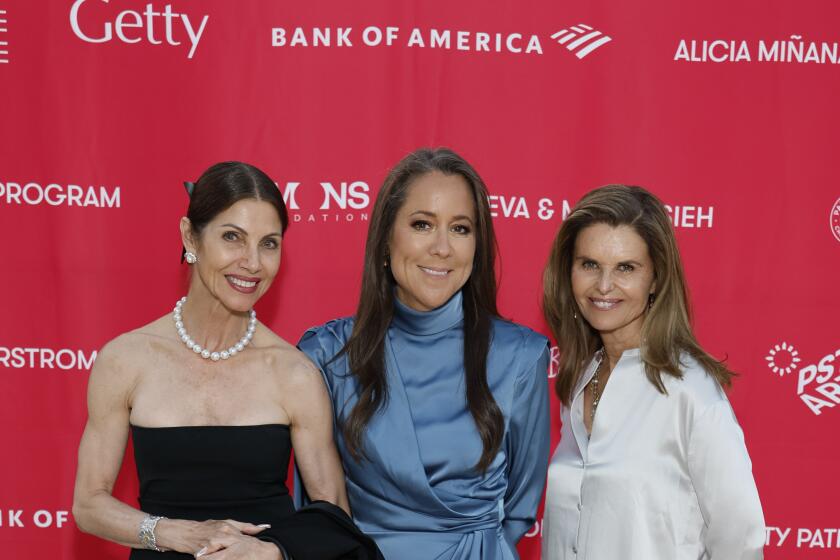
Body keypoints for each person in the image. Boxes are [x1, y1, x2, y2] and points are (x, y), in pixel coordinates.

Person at [73, 162, 380, 560]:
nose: (252, 262)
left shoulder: (294, 373)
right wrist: (174, 533)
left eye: (268, 243)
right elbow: (89, 504)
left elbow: (333, 513)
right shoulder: (125, 360)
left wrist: (270, 551)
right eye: (233, 237)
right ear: (190, 237)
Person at [297, 147, 550, 560]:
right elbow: (314, 506)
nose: (442, 248)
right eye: (422, 224)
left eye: (461, 229)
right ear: (385, 239)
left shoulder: (521, 356)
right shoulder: (326, 355)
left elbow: (521, 507)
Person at [540, 185, 765, 559]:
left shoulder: (690, 391)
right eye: (589, 264)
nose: (604, 285)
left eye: (626, 267)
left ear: (656, 280)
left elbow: (739, 542)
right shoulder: (581, 379)